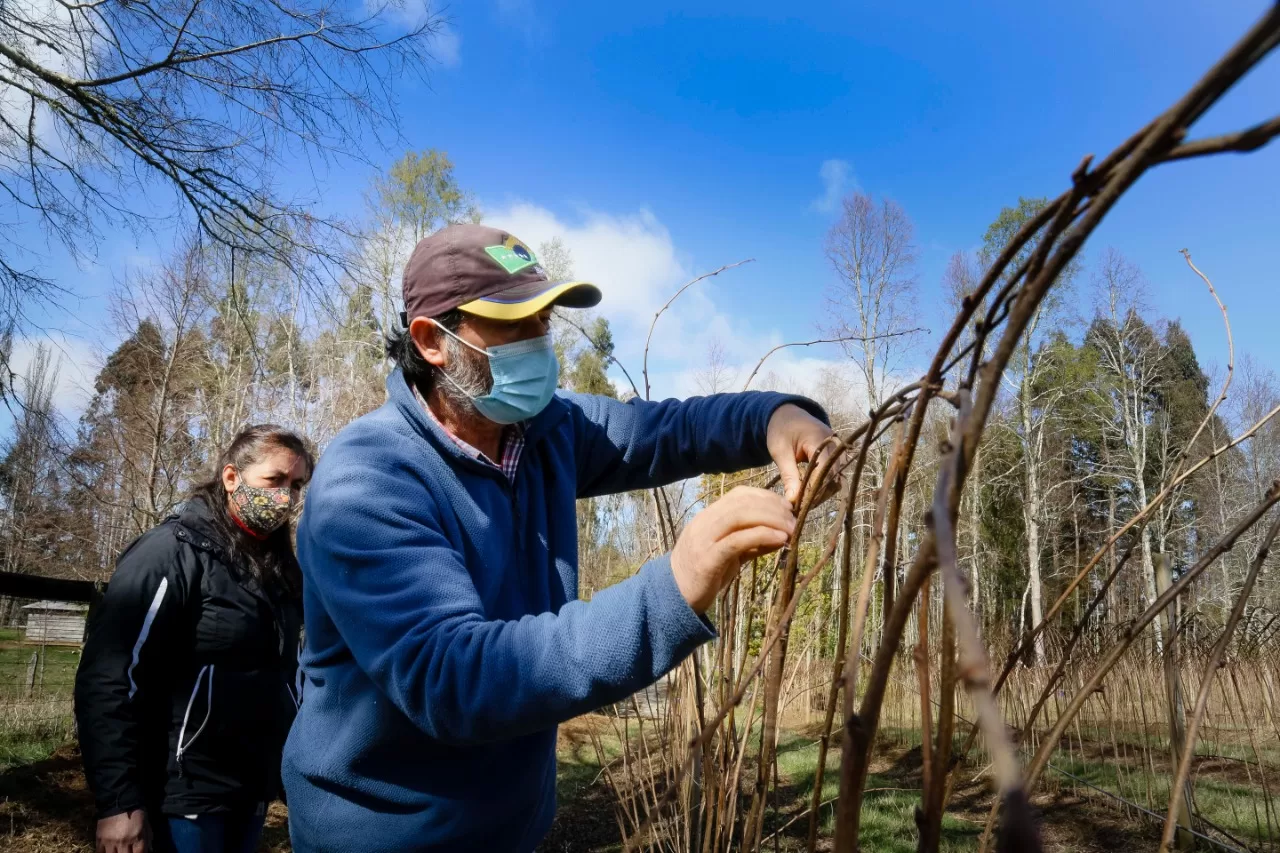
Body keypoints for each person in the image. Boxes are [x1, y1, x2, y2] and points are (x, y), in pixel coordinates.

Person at [282, 224, 836, 852]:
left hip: (514, 830)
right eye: (514, 325)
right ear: (432, 340)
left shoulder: (543, 431)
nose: (542, 344)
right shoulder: (366, 481)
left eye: (544, 321)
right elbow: (453, 678)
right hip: (384, 838)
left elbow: (666, 430)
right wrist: (676, 586)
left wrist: (775, 417)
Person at [75, 425, 315, 853]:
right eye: (274, 480)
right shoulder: (169, 552)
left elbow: (288, 675)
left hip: (250, 788)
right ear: (230, 478)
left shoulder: (281, 570)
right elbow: (110, 676)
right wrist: (117, 800)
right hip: (179, 791)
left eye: (296, 486)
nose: (286, 497)